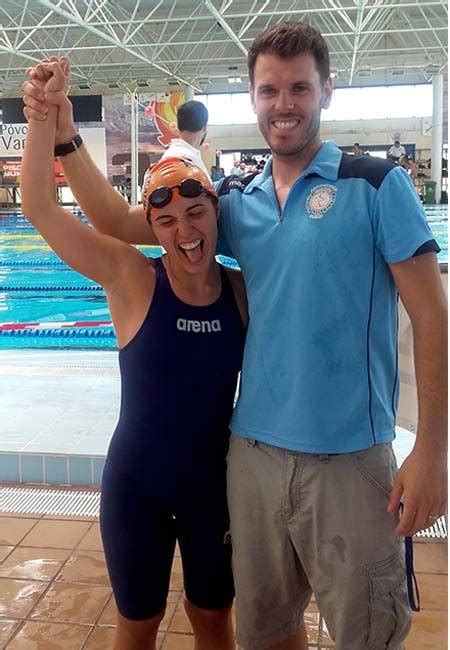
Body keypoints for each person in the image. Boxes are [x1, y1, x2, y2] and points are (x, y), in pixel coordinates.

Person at [23, 20, 447, 649]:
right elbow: (116, 218)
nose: (284, 105)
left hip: (349, 458)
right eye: (270, 90)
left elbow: (432, 315)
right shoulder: (234, 204)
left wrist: (434, 451)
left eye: (299, 88)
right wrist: (59, 133)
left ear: (325, 92)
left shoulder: (376, 184)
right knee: (265, 631)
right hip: (250, 461)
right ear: (252, 98)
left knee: (367, 635)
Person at [21, 61, 247, 650]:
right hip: (136, 490)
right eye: (167, 219)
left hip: (214, 491)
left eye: (196, 213)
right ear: (150, 226)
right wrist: (45, 120)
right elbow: (42, 210)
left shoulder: (242, 294)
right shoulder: (131, 277)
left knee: (214, 623)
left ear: (216, 213)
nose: (185, 232)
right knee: (136, 629)